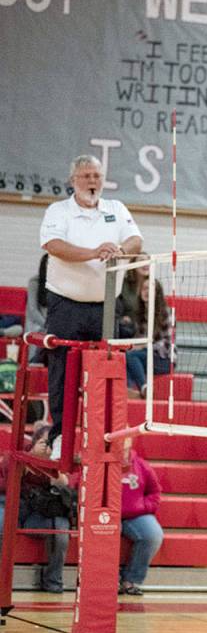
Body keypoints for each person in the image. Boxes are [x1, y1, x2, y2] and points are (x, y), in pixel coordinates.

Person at [40, 154, 144, 454]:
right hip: (66, 303)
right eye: (86, 176)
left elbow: (136, 240)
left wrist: (119, 249)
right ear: (73, 180)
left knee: (104, 372)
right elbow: (53, 246)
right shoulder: (58, 211)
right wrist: (94, 252)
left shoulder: (116, 209)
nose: (92, 182)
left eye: (96, 176)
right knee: (62, 371)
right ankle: (60, 436)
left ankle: (99, 439)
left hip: (106, 306)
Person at [18, 424, 77, 592]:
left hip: (56, 512)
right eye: (44, 442)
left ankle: (53, 581)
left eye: (51, 443)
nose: (47, 446)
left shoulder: (59, 462)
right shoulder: (23, 459)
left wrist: (51, 464)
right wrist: (34, 460)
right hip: (31, 515)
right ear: (34, 442)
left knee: (61, 532)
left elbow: (65, 485)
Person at [119, 438, 164, 596]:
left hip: (135, 515)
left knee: (153, 535)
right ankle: (106, 580)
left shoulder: (141, 466)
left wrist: (143, 507)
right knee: (103, 533)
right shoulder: (100, 464)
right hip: (107, 515)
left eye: (124, 448)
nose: (122, 452)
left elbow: (155, 492)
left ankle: (131, 580)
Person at [125, 279, 173, 399]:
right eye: (144, 288)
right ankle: (130, 392)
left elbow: (167, 343)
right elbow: (138, 340)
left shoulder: (166, 313)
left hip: (163, 359)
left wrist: (145, 345)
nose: (146, 291)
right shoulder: (139, 314)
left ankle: (144, 388)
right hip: (144, 356)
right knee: (126, 357)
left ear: (158, 293)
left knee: (131, 356)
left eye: (150, 288)